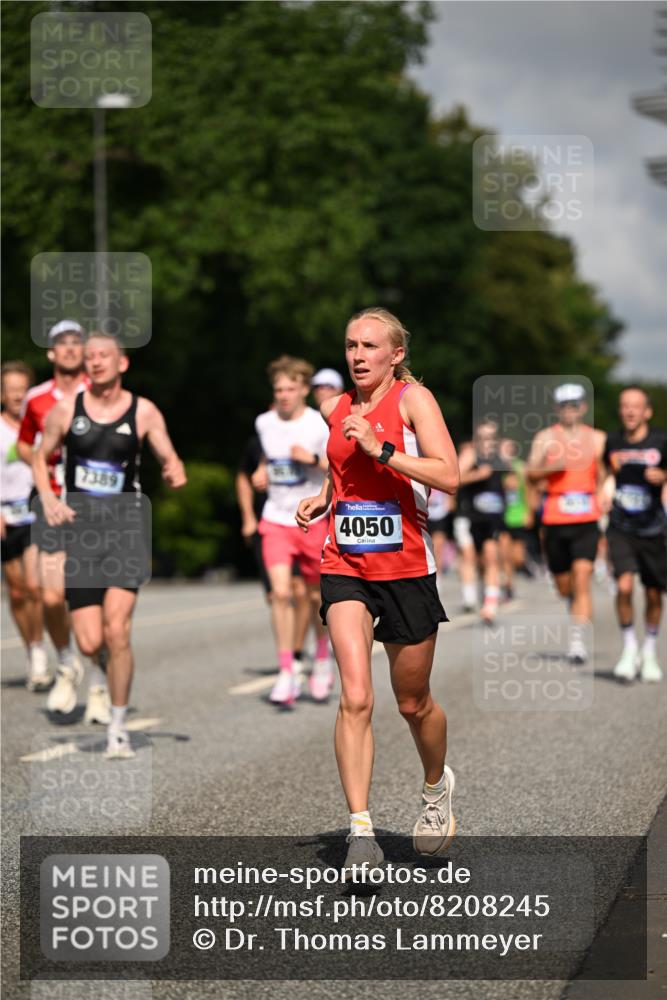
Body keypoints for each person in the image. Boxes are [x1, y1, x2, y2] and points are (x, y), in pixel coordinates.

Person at [296, 307, 459, 876]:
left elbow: (448, 475)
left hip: (407, 568)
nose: (358, 355)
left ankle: (436, 787)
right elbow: (341, 469)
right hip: (345, 564)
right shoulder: (335, 408)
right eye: (351, 345)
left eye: (369, 346)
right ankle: (361, 834)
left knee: (413, 702)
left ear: (396, 355)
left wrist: (382, 449)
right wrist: (325, 498)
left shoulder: (415, 401)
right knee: (356, 696)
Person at [33, 331, 187, 758]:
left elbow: (169, 456)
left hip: (126, 529)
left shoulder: (144, 411)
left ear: (122, 363)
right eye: (90, 357)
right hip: (81, 533)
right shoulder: (67, 410)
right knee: (88, 641)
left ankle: (117, 727)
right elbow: (39, 456)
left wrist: (174, 470)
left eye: (104, 355)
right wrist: (48, 498)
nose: (96, 361)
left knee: (117, 630)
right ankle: (97, 671)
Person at [17, 320, 91, 715]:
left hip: (92, 503)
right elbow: (24, 445)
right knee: (49, 594)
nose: (70, 348)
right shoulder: (36, 398)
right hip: (50, 501)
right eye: (62, 343)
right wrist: (43, 462)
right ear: (51, 352)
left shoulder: (98, 391)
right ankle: (65, 660)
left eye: (76, 342)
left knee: (90, 594)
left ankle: (101, 678)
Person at [255, 356, 333, 704]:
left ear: (304, 389)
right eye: (279, 389)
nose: (284, 395)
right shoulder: (264, 422)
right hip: (275, 519)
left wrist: (312, 460)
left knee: (316, 597)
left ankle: (322, 657)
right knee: (280, 593)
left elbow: (336, 465)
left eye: (290, 388)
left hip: (311, 519)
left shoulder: (318, 424)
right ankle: (287, 670)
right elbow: (269, 459)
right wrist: (261, 472)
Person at [526, 383, 605, 663]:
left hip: (587, 517)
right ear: (557, 409)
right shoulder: (546, 437)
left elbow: (605, 476)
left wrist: (604, 497)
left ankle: (577, 642)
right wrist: (551, 467)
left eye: (574, 405)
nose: (569, 410)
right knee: (564, 586)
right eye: (564, 405)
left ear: (583, 407)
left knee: (582, 578)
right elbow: (530, 473)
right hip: (555, 518)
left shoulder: (597, 439)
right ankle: (574, 607)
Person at [603, 386, 666, 682]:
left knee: (653, 593)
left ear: (647, 412)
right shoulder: (612, 442)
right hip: (621, 526)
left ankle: (649, 651)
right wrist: (604, 492)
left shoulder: (661, 441)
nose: (629, 411)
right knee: (625, 586)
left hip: (653, 528)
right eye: (625, 405)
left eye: (635, 406)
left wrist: (664, 475)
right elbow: (607, 474)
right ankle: (629, 648)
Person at [236, 429, 312, 669]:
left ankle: (297, 653)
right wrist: (248, 517)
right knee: (277, 594)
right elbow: (243, 478)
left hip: (304, 524)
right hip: (270, 524)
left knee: (302, 591)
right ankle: (287, 659)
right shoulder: (259, 440)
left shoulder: (310, 434)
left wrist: (311, 460)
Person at [1, 361, 50, 690]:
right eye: (11, 390)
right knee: (17, 592)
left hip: (35, 511)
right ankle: (32, 648)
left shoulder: (40, 426)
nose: (18, 396)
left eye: (23, 389)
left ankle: (41, 651)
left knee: (34, 585)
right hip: (5, 514)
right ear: (3, 395)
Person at [454, 421, 508, 622]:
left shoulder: (500, 456)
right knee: (468, 556)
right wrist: (478, 474)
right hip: (468, 515)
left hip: (492, 517)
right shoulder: (471, 454)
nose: (488, 442)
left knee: (491, 557)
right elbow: (454, 478)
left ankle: (490, 605)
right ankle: (469, 598)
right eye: (483, 437)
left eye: (491, 437)